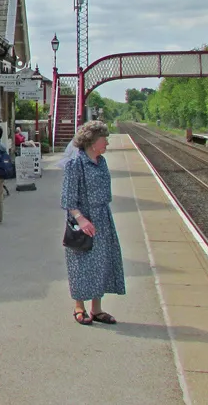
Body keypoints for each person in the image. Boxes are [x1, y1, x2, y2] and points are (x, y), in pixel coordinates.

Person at [61, 120, 125, 325]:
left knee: (102, 262)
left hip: (102, 218)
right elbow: (68, 198)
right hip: (82, 221)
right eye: (104, 138)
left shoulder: (101, 162)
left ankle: (96, 309)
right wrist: (81, 219)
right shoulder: (75, 164)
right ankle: (79, 306)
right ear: (92, 141)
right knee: (81, 263)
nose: (107, 142)